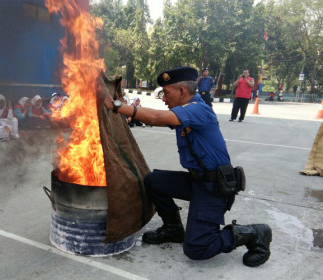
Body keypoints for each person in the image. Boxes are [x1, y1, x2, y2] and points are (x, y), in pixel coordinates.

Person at [104, 66, 272, 267]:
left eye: (166, 93)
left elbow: (156, 117)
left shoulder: (198, 109)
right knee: (153, 180)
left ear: (182, 91)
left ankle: (253, 233)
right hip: (197, 181)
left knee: (197, 248)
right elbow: (154, 116)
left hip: (214, 189)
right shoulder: (185, 111)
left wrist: (116, 106)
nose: (163, 99)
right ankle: (173, 228)